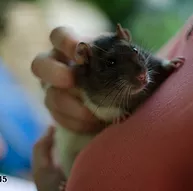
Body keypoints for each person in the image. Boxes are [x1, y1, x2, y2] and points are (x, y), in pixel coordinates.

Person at [32, 15, 193, 191]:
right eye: (111, 62)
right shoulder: (91, 86)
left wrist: (164, 65)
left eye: (135, 53)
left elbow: (155, 64)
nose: (140, 74)